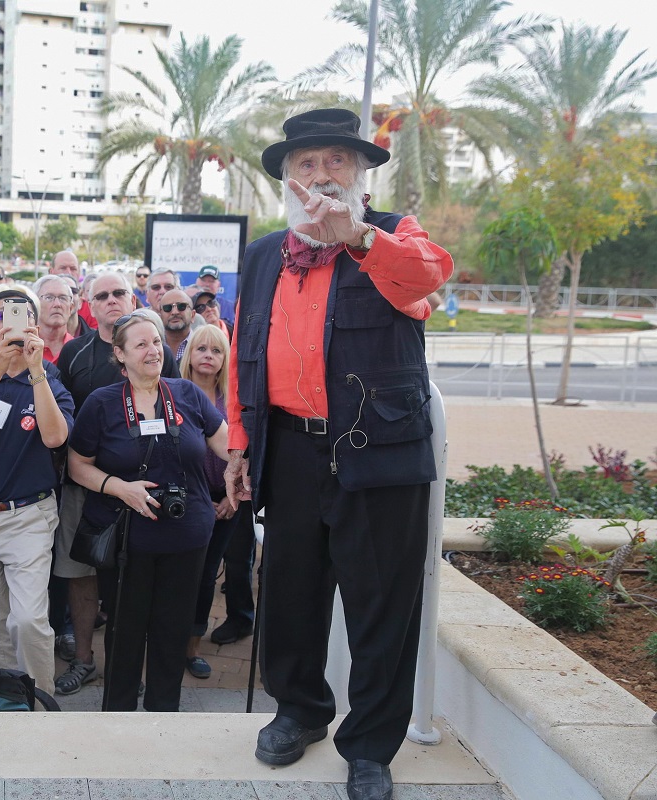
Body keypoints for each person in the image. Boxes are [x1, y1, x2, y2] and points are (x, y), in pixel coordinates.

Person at [223, 108, 452, 800]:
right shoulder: (266, 253)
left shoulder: (395, 239)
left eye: (335, 162)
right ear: (288, 180)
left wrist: (355, 238)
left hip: (379, 453)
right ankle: (299, 711)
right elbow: (243, 354)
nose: (321, 176)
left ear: (360, 173)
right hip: (289, 452)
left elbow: (427, 278)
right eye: (306, 164)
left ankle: (371, 745)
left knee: (383, 604)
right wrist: (239, 442)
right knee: (290, 594)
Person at [67, 313, 230, 711]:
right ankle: (117, 717)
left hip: (187, 537)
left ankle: (164, 715)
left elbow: (228, 446)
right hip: (128, 542)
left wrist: (241, 475)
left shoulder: (187, 394)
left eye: (155, 342)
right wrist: (118, 487)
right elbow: (76, 465)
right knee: (124, 633)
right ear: (119, 355)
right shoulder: (102, 403)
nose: (153, 350)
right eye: (140, 344)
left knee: (171, 635)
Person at [51, 270, 181, 697]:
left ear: (132, 298)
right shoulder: (74, 354)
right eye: (102, 295)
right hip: (85, 485)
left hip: (146, 489)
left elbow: (179, 406)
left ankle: (130, 670)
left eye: (119, 293)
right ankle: (84, 660)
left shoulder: (156, 349)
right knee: (81, 573)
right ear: (88, 304)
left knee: (138, 583)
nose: (111, 300)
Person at [0, 290, 74, 696]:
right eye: (3, 320)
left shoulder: (50, 381)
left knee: (26, 619)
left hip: (29, 515)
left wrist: (35, 370)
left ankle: (40, 700)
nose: (12, 328)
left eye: (21, 320)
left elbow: (56, 437)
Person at [177, 324, 247, 681]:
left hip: (225, 501)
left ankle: (192, 647)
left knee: (205, 575)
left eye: (216, 351)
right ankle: (167, 640)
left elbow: (244, 452)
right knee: (177, 575)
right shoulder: (172, 393)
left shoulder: (234, 400)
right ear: (189, 354)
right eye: (201, 348)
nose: (208, 355)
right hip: (184, 501)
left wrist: (232, 500)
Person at [33, 275, 74, 363]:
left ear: (71, 308)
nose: (57, 304)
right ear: (35, 306)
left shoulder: (80, 351)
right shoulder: (23, 349)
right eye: (49, 298)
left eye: (63, 298)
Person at [156, 289, 195, 362]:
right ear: (160, 316)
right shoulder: (153, 348)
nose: (175, 312)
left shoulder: (202, 346)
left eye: (181, 306)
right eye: (167, 308)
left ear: (193, 315)